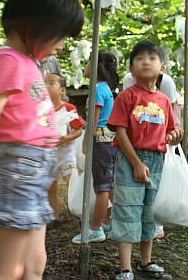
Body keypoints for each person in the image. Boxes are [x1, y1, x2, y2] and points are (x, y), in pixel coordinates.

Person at [0, 0, 84, 280]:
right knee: (7, 268)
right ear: (37, 25)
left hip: (38, 168)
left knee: (32, 265)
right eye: (59, 36)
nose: (61, 46)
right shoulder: (7, 60)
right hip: (19, 167)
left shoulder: (28, 63)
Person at [107, 40, 184, 280]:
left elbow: (169, 132)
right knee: (128, 210)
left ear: (162, 68)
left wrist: (174, 136)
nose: (146, 62)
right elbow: (120, 131)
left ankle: (146, 262)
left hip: (157, 161)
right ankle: (126, 269)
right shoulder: (126, 96)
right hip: (132, 159)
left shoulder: (163, 100)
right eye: (139, 58)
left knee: (149, 212)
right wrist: (136, 164)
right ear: (131, 69)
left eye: (152, 57)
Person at [72, 50, 119, 244]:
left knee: (102, 187)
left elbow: (94, 118)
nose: (85, 66)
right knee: (109, 184)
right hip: (109, 142)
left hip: (100, 142)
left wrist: (85, 140)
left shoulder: (98, 89)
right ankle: (110, 221)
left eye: (88, 62)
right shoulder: (105, 88)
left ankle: (95, 228)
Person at [45, 72, 85, 228]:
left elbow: (78, 130)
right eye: (45, 83)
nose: (46, 86)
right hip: (49, 153)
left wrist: (65, 139)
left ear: (62, 90)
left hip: (66, 152)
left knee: (72, 182)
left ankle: (81, 214)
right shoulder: (42, 110)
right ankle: (54, 218)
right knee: (51, 186)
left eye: (51, 83)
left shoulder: (68, 108)